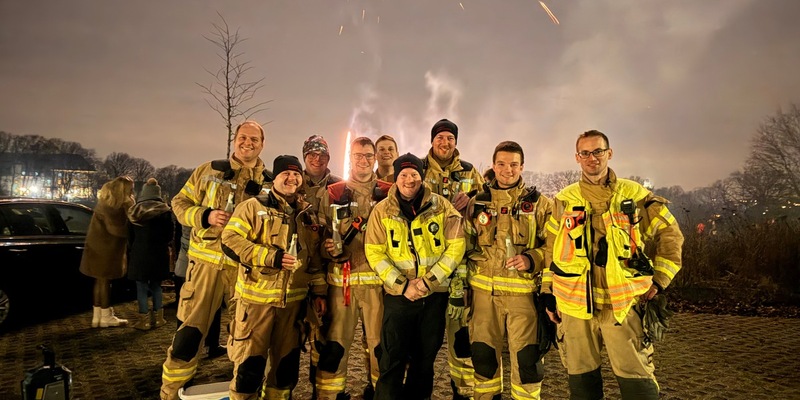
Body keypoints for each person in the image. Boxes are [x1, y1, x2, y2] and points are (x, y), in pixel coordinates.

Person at [541, 130, 684, 399]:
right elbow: (551, 249)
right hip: (575, 307)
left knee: (637, 384)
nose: (592, 158)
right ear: (577, 157)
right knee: (582, 385)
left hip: (623, 306)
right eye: (585, 153)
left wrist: (660, 279)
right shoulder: (563, 199)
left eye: (598, 151)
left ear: (609, 153)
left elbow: (671, 234)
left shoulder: (635, 195)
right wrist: (549, 293)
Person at [161, 120, 270, 400]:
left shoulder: (269, 182)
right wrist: (205, 216)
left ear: (262, 144)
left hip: (244, 272)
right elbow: (179, 203)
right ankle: (171, 393)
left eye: (254, 139)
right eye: (243, 138)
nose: (248, 143)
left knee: (246, 337)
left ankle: (241, 394)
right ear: (235, 140)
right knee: (189, 334)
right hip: (205, 267)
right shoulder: (207, 171)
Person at [221, 155, 328, 399]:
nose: (292, 178)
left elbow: (314, 261)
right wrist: (270, 257)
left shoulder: (306, 215)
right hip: (256, 306)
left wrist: (320, 293)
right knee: (249, 372)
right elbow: (229, 240)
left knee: (285, 373)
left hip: (292, 308)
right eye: (285, 174)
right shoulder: (253, 206)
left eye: (296, 174)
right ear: (275, 176)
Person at [364, 153, 465, 400]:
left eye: (414, 174)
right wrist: (402, 285)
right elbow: (374, 253)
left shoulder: (441, 206)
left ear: (422, 176)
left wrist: (429, 282)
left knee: (424, 362)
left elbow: (456, 246)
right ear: (396, 178)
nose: (410, 180)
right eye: (404, 175)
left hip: (433, 297)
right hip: (399, 298)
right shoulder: (381, 211)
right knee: (391, 361)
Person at [463, 141, 553, 399]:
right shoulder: (476, 204)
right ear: (493, 165)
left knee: (528, 365)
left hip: (523, 298)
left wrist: (531, 259)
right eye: (501, 164)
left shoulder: (541, 205)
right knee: (483, 361)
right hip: (483, 297)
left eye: (514, 164)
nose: (507, 170)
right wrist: (462, 289)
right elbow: (463, 247)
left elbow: (553, 248)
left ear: (522, 167)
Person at [315, 137, 391, 400]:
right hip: (341, 286)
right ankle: (331, 396)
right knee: (335, 346)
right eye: (358, 155)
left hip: (378, 287)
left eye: (369, 156)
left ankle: (380, 393)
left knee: (380, 348)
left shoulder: (389, 192)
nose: (364, 160)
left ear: (375, 159)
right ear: (350, 158)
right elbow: (318, 242)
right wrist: (329, 249)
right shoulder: (333, 193)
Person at [421, 118, 484, 400]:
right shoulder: (418, 169)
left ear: (456, 141)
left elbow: (486, 205)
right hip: (426, 264)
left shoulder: (470, 171)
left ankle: (463, 393)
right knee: (425, 342)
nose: (445, 143)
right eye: (440, 138)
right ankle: (421, 391)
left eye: (450, 138)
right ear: (432, 140)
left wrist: (471, 201)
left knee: (461, 339)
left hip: (461, 265)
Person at [299, 133, 342, 398]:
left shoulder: (338, 187)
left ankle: (320, 389)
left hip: (327, 270)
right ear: (304, 157)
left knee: (324, 334)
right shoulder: (289, 180)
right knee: (291, 334)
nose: (317, 159)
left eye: (322, 155)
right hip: (295, 268)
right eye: (312, 155)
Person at [80, 176, 135, 328]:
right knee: (105, 282)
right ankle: (105, 316)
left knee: (99, 281)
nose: (132, 192)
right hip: (107, 249)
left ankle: (97, 316)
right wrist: (132, 229)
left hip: (96, 247)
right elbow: (116, 230)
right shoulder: (115, 207)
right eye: (130, 189)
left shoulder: (104, 203)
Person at [127, 178, 175, 330]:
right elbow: (169, 235)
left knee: (141, 287)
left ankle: (144, 320)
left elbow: (129, 236)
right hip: (158, 253)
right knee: (156, 286)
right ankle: (159, 318)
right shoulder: (165, 212)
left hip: (139, 253)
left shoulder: (134, 212)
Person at [173, 221, 225, 358]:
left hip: (188, 266)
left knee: (188, 310)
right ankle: (199, 348)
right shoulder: (197, 216)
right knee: (191, 314)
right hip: (198, 267)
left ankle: (206, 346)